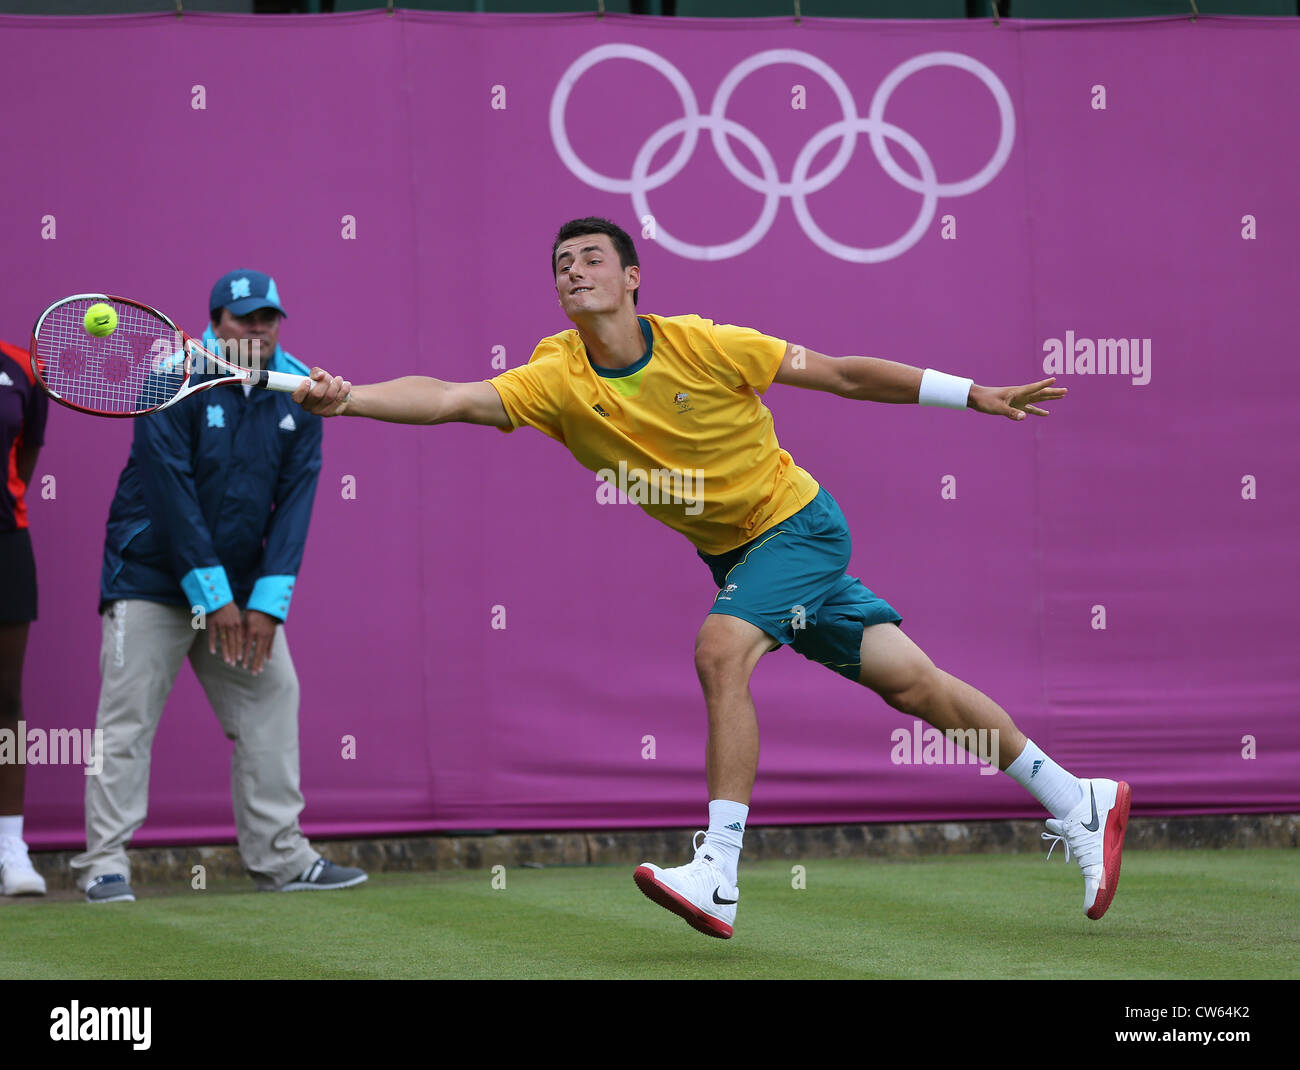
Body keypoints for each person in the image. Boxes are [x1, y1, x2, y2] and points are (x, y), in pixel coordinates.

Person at [292, 218, 1129, 939]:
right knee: (915, 686)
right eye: (560, 265)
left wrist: (971, 393)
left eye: (590, 258)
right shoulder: (555, 379)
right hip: (740, 556)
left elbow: (840, 374)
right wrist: (352, 397)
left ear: (630, 278)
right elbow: (449, 398)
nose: (573, 271)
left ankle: (718, 871)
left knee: (720, 649)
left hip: (800, 528)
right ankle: (1075, 796)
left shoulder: (707, 343)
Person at [69, 270, 367, 902]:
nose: (258, 328)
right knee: (126, 720)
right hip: (148, 578)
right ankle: (104, 864)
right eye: (244, 318)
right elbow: (169, 494)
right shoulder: (168, 379)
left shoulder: (301, 391)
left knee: (273, 698)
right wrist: (217, 597)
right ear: (215, 322)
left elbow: (295, 503)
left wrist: (267, 602)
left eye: (269, 317)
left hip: (238, 593)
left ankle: (281, 858)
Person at [0, 338, 49, 896]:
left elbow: (25, 457)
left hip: (5, 543)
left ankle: (11, 846)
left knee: (5, 697)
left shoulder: (21, 369)